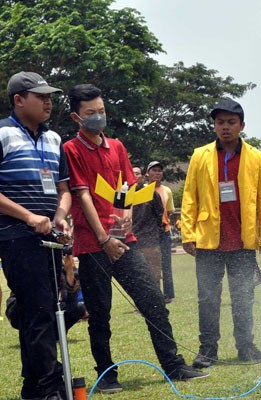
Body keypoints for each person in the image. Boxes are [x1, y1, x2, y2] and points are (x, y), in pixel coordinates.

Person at [63, 84, 206, 394]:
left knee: (153, 301)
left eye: (101, 111)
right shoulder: (71, 150)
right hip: (92, 246)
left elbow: (125, 187)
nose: (98, 117)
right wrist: (103, 239)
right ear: (76, 116)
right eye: (90, 113)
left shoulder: (116, 146)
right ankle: (107, 374)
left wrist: (125, 212)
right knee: (99, 314)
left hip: (125, 240)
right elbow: (83, 195)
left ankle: (173, 364)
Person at [180, 99, 261, 369]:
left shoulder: (256, 157)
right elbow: (189, 198)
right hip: (208, 240)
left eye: (231, 122)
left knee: (244, 297)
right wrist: (188, 233)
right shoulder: (200, 155)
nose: (225, 127)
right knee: (208, 299)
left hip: (243, 241)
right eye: (220, 122)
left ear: (241, 125)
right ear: (214, 125)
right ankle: (207, 351)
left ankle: (246, 347)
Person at [0, 71, 71, 400]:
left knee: (47, 310)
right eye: (40, 96)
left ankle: (37, 387)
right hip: (16, 237)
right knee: (40, 311)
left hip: (50, 239)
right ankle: (48, 388)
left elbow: (63, 189)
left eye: (50, 96)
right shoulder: (2, 134)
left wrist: (60, 216)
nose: (48, 102)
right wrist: (29, 217)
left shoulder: (54, 139)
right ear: (18, 100)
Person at [146, 161, 176, 303]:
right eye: (154, 170)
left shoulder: (167, 191)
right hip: (149, 234)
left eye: (159, 170)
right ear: (148, 173)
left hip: (164, 231)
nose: (157, 173)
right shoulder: (143, 190)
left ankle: (169, 295)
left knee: (166, 264)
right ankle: (154, 294)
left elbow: (169, 211)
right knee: (150, 265)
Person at [132, 165, 164, 285]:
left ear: (142, 176)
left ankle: (156, 302)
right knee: (137, 277)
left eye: (137, 173)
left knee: (154, 275)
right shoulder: (124, 194)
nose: (135, 176)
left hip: (150, 240)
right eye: (132, 173)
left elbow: (159, 215)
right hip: (132, 242)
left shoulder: (151, 193)